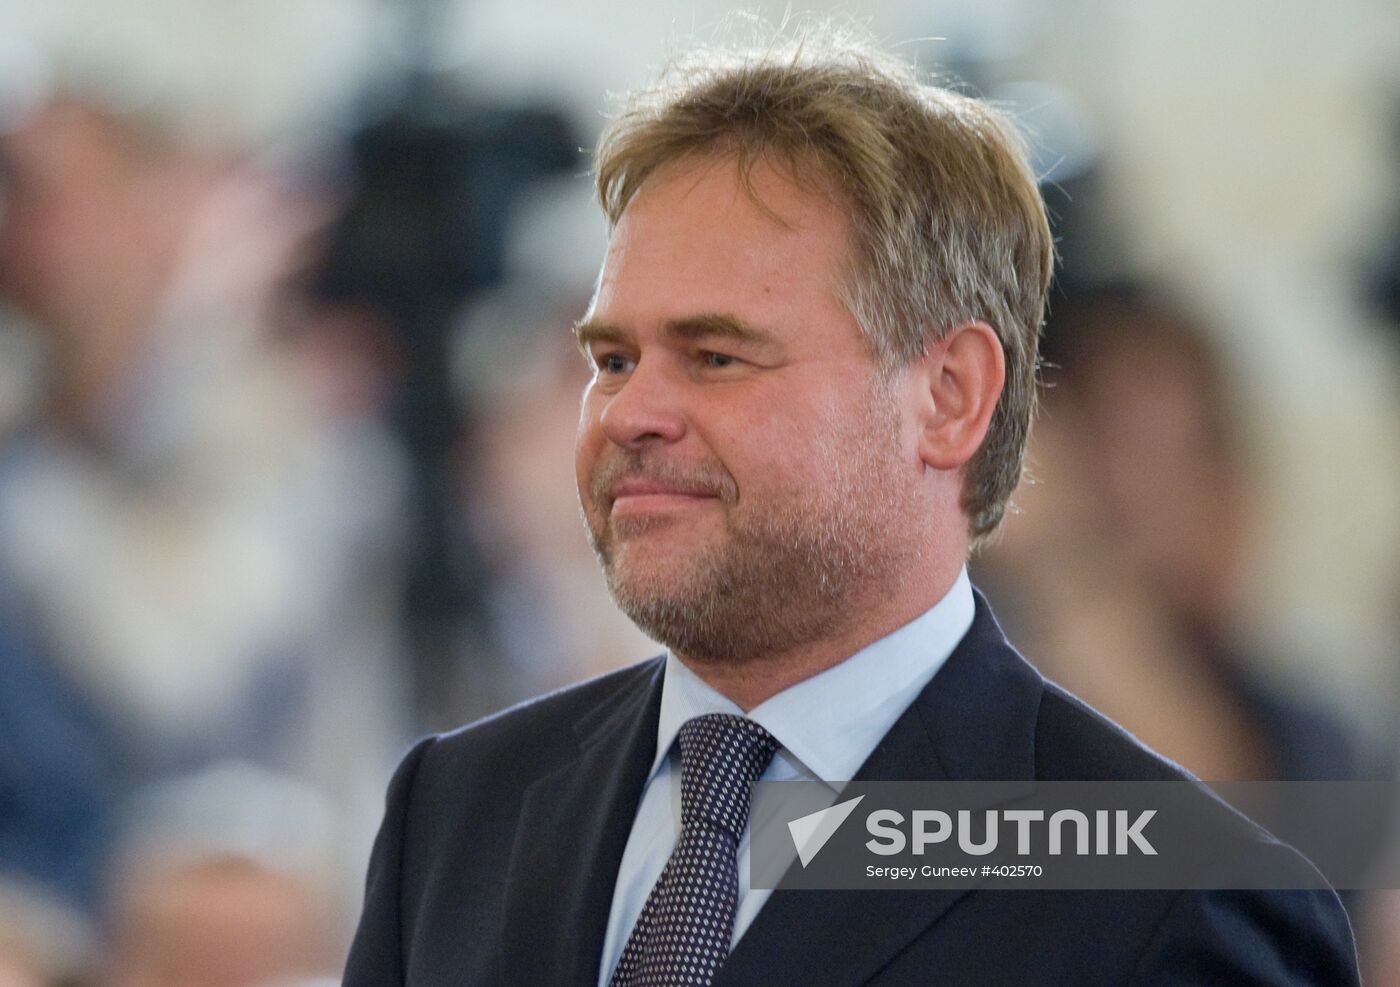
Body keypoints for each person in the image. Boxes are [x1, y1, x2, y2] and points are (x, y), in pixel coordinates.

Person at [345, 31, 1359, 985]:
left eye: (714, 355)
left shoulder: (1167, 897)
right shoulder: (458, 811)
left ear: (948, 396)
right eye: (611, 358)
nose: (631, 413)